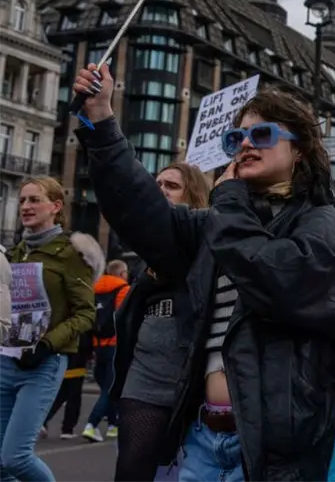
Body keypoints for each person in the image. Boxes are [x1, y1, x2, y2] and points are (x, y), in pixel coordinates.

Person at [73, 64, 335, 482]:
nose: (244, 145)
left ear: (299, 150)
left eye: (261, 135)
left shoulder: (320, 221)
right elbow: (142, 209)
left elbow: (277, 279)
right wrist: (101, 120)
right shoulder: (218, 219)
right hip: (204, 440)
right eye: (235, 137)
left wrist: (227, 199)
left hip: (274, 449)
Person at [110, 162, 209, 482]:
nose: (161, 191)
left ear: (193, 198)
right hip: (143, 385)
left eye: (172, 186)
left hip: (194, 390)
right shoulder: (146, 263)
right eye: (158, 184)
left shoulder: (209, 251)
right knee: (131, 470)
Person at [2, 178, 104, 482]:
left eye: (34, 200)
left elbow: (86, 314)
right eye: (22, 201)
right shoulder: (14, 253)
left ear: (56, 207)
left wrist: (47, 344)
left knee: (15, 457)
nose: (26, 207)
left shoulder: (73, 252)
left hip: (44, 362)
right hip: (7, 359)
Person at [81, 259, 130, 443]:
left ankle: (112, 424)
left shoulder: (95, 289)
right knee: (111, 386)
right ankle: (92, 424)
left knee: (106, 383)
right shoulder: (123, 289)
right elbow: (125, 319)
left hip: (97, 342)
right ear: (121, 274)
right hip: (115, 343)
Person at [41, 333, 91, 440]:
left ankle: (42, 420)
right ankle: (67, 429)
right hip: (78, 354)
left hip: (63, 353)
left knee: (61, 393)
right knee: (74, 394)